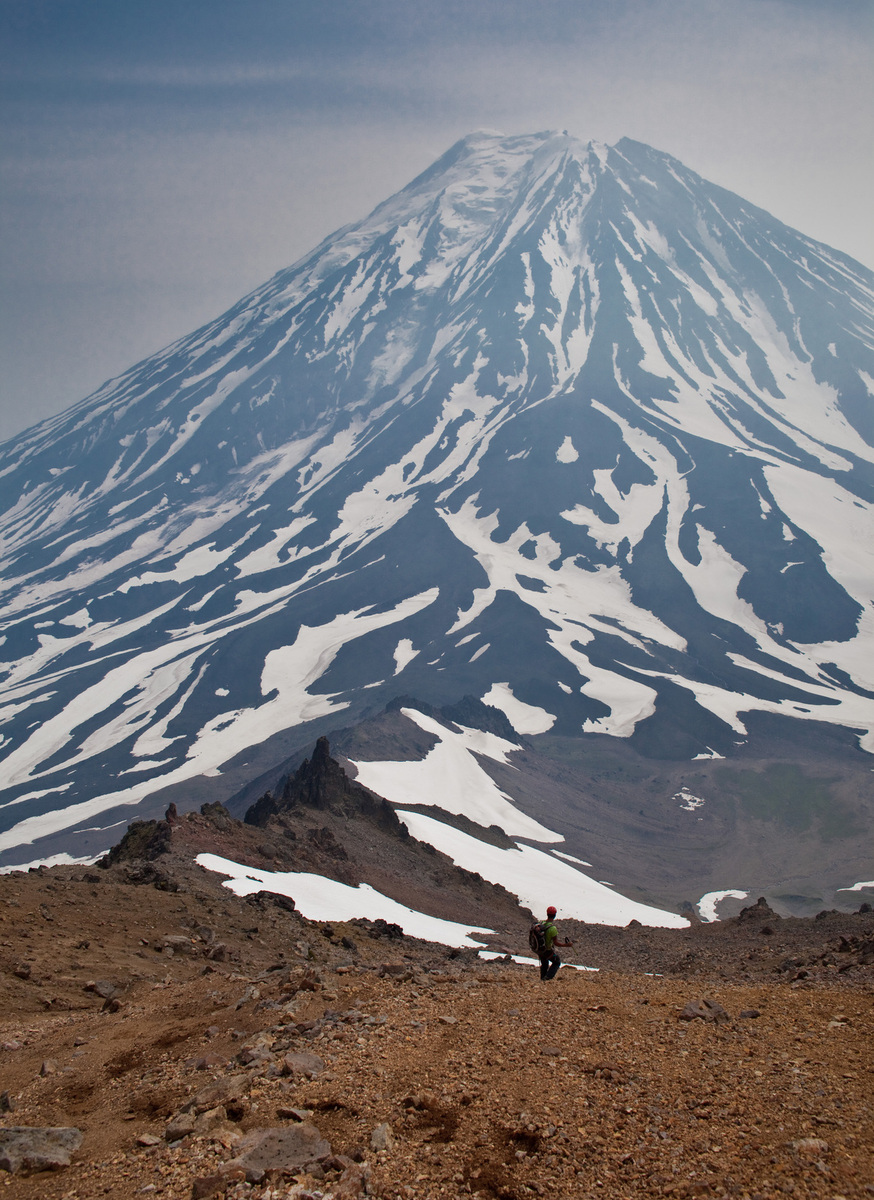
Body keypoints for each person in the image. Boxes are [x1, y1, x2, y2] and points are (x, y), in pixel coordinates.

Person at [539, 905, 573, 981]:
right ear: (554, 915)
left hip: (540, 949)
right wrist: (566, 945)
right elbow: (556, 943)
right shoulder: (552, 928)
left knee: (544, 964)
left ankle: (542, 979)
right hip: (548, 950)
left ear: (547, 914)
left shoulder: (542, 923)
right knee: (556, 962)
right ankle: (547, 978)